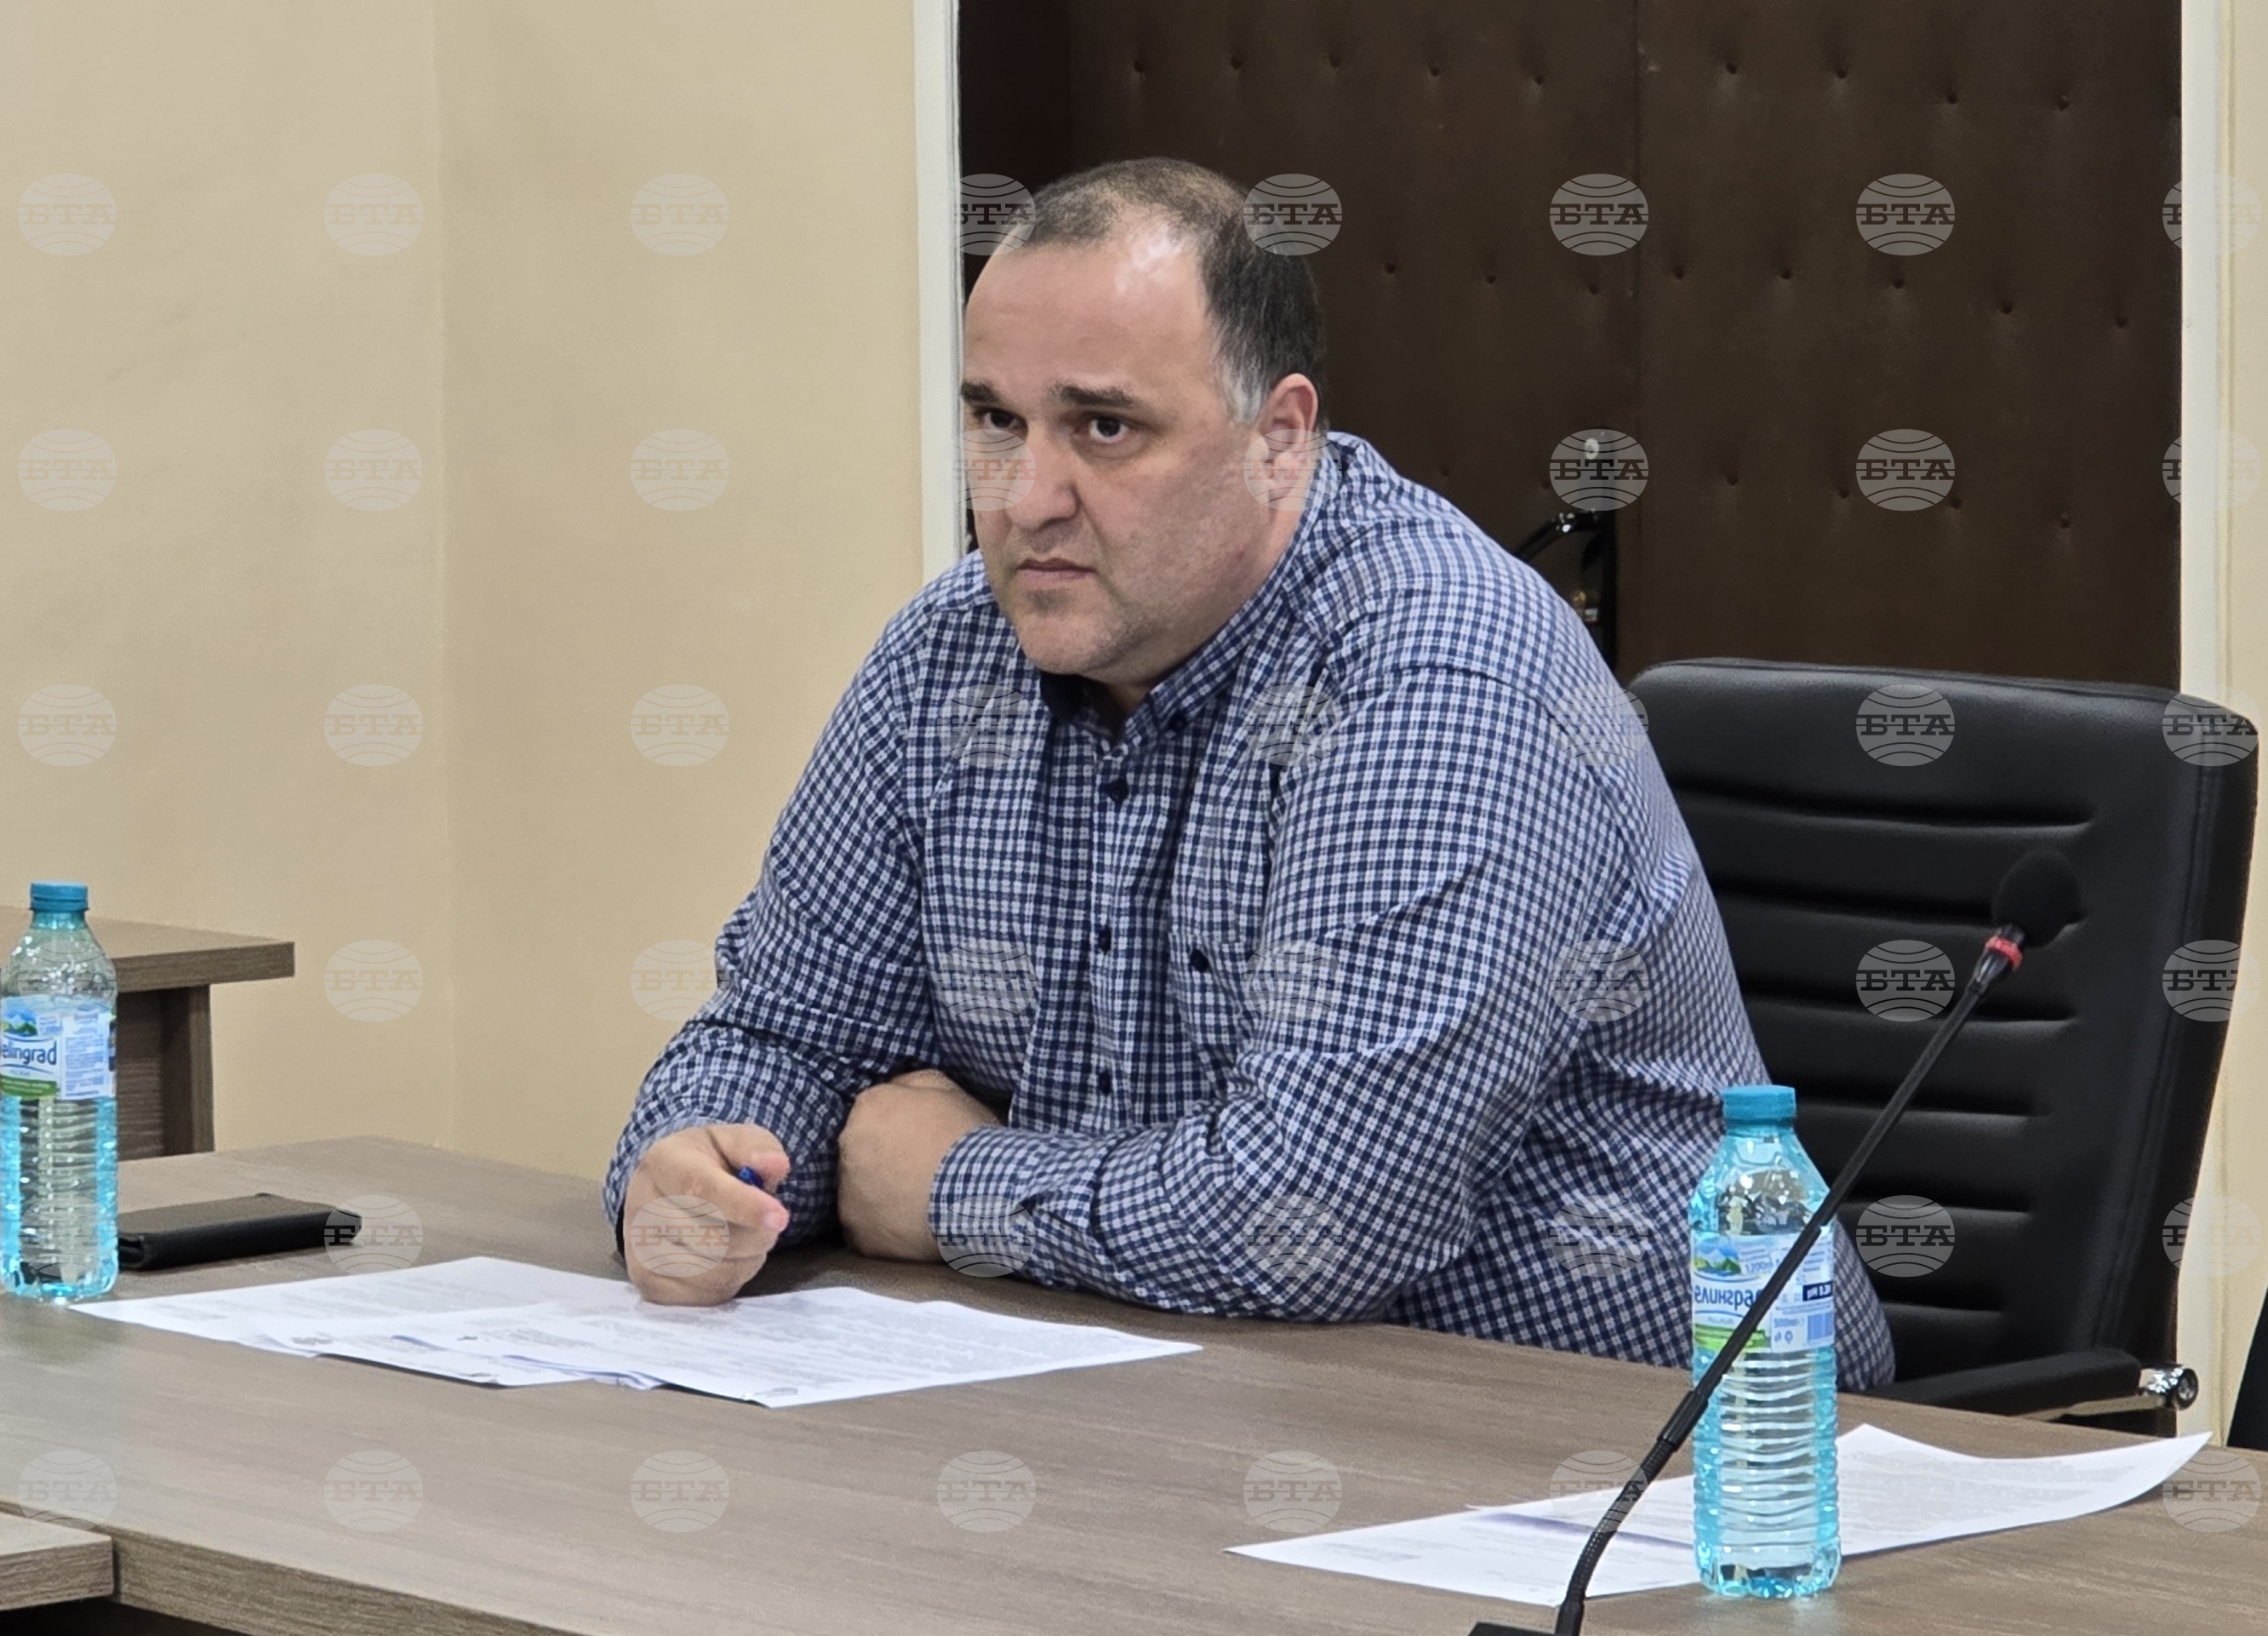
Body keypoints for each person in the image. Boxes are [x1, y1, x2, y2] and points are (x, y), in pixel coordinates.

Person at [602, 157, 1894, 1387]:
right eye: (996, 420)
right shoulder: (953, 653)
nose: (1024, 496)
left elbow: (1321, 1214)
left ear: (1279, 439)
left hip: (1654, 1441)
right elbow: (784, 1032)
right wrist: (701, 1172)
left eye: (1104, 427)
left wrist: (948, 1187)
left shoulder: (1436, 666)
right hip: (1184, 1398)